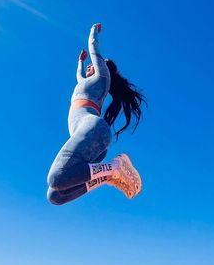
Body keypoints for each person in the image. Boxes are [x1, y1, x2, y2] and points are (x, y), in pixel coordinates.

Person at [47, 23, 146, 205]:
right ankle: (106, 176)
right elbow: (79, 77)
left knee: (56, 177)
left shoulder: (102, 78)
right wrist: (80, 62)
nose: (89, 68)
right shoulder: (84, 84)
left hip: (92, 129)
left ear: (101, 67)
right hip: (87, 137)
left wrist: (93, 32)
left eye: (92, 65)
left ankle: (115, 167)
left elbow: (94, 47)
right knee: (55, 195)